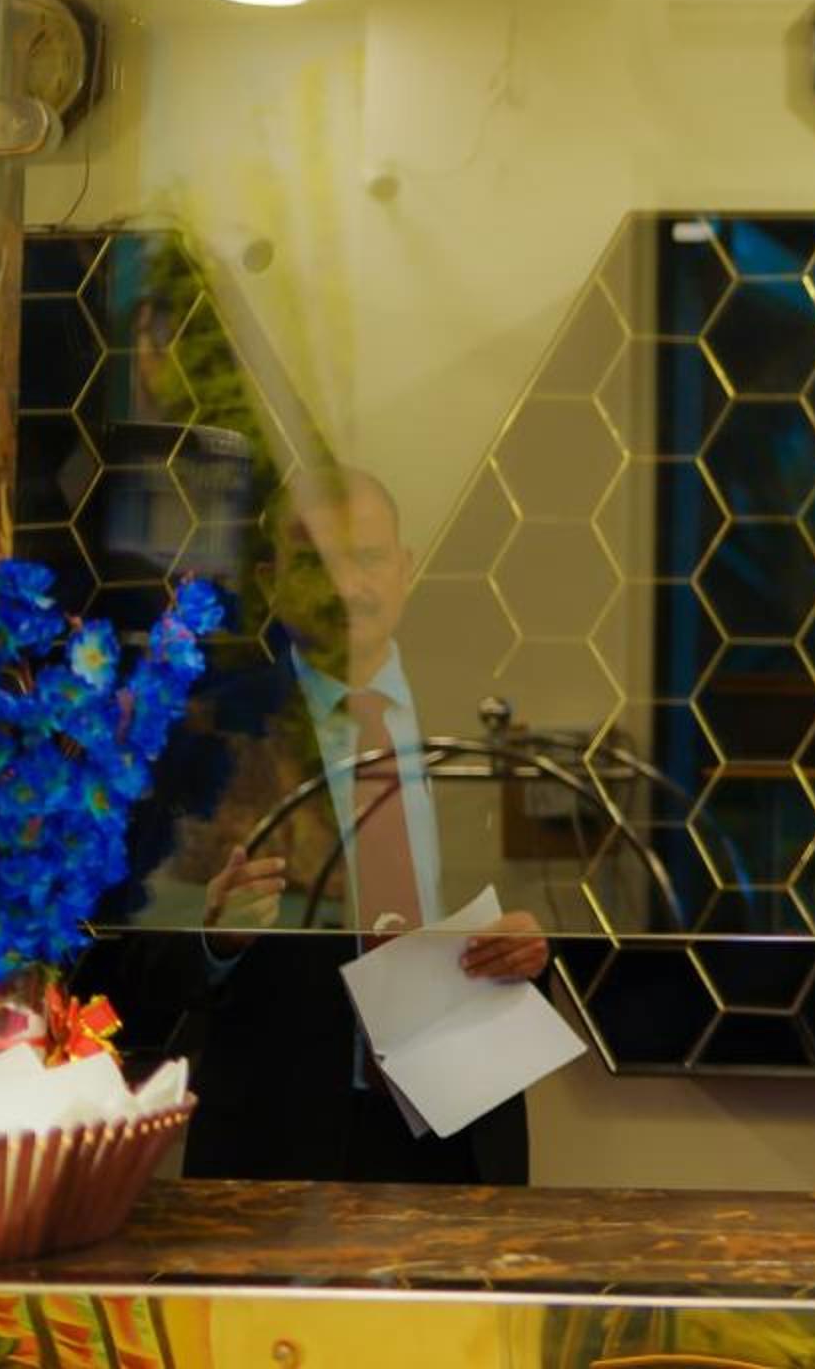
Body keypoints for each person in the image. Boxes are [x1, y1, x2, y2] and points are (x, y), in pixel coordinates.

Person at [90, 464, 549, 1183]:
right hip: (277, 1146)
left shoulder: (482, 722)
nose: (346, 586)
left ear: (405, 570)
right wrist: (215, 940)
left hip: (465, 1135)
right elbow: (130, 962)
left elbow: (557, 909)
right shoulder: (207, 732)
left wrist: (534, 946)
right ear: (270, 582)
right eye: (316, 564)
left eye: (367, 558)